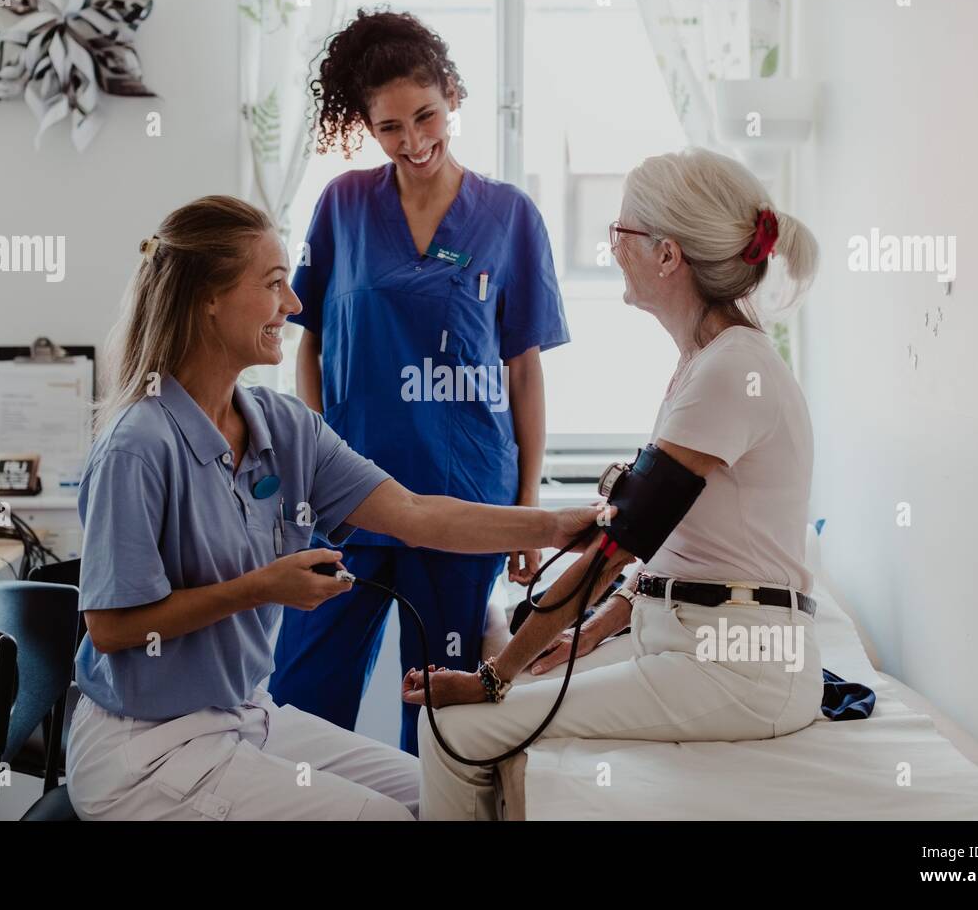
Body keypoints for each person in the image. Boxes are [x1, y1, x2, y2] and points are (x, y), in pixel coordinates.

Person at [65, 195, 595, 821]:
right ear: (208, 298)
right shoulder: (139, 446)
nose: (293, 305)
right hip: (147, 749)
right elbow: (114, 628)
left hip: (244, 718)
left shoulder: (283, 426)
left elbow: (420, 514)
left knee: (460, 796)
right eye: (274, 285)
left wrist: (559, 525)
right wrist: (261, 588)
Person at [402, 148, 824, 820]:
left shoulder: (729, 372)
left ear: (667, 256)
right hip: (696, 646)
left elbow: (620, 542)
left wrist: (493, 675)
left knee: (454, 728)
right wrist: (591, 632)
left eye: (621, 232)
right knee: (487, 717)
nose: (612, 247)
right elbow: (681, 550)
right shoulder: (710, 363)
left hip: (738, 670)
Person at [269, 9, 570, 755]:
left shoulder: (510, 216)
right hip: (351, 499)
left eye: (426, 116)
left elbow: (522, 372)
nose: (414, 141)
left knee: (444, 713)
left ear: (453, 97)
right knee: (299, 695)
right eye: (390, 127)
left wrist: (527, 508)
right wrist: (316, 454)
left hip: (466, 496)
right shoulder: (342, 205)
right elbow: (308, 346)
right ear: (366, 126)